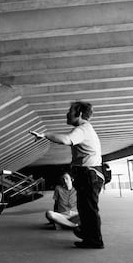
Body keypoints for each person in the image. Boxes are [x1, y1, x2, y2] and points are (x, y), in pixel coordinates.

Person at [30, 101, 104, 249]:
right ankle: (88, 235)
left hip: (89, 174)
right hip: (89, 174)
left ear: (80, 114)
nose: (67, 114)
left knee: (89, 209)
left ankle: (95, 240)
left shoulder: (82, 129)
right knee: (85, 208)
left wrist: (45, 135)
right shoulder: (85, 129)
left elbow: (66, 140)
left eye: (70, 111)